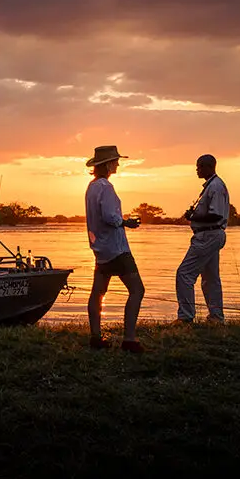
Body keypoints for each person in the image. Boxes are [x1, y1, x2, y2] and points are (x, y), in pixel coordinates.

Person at [85, 145, 145, 353]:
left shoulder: (92, 187)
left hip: (100, 249)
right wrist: (127, 223)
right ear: (108, 164)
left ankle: (95, 336)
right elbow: (110, 217)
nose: (118, 164)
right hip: (117, 249)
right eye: (115, 161)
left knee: (97, 293)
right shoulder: (106, 187)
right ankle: (129, 339)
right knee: (137, 290)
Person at [176, 154, 230, 323]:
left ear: (208, 166)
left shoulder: (215, 186)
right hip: (210, 235)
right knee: (210, 278)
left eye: (199, 166)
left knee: (184, 274)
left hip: (208, 235)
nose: (197, 170)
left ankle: (186, 317)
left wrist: (193, 217)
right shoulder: (211, 186)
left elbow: (216, 215)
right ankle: (216, 317)